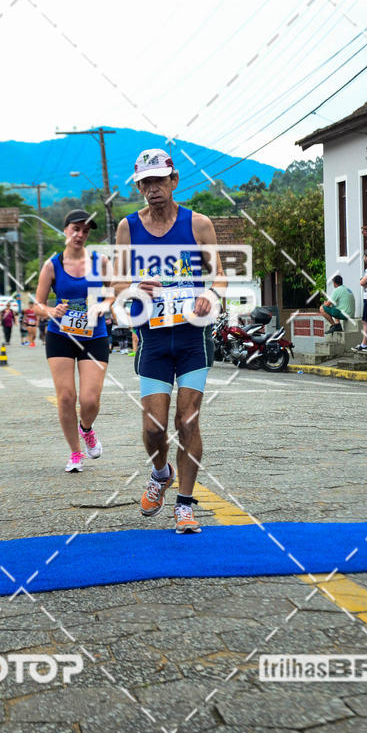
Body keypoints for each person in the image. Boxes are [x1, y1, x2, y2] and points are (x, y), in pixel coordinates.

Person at [114, 148, 226, 534]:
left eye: (159, 180)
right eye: (146, 183)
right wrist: (131, 286)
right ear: (139, 186)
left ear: (174, 181)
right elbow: (114, 282)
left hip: (194, 336)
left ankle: (185, 503)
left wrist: (210, 295)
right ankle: (160, 473)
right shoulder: (129, 227)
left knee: (188, 420)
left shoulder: (199, 224)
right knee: (153, 428)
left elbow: (221, 277)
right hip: (153, 339)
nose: (153, 189)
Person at [34, 209, 113, 474]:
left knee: (90, 400)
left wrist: (104, 306)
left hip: (94, 336)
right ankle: (75, 452)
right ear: (65, 230)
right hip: (61, 336)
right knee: (66, 397)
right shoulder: (52, 265)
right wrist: (50, 311)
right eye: (75, 229)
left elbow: (114, 293)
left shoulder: (100, 261)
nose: (80, 234)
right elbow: (37, 304)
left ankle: (86, 429)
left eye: (85, 231)